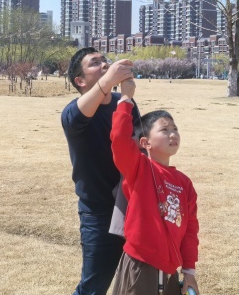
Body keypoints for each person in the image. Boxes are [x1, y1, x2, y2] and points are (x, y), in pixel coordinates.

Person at [61, 47, 140, 295]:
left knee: (140, 282)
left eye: (104, 60)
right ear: (80, 81)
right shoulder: (72, 113)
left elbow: (138, 147)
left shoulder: (122, 103)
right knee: (93, 288)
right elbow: (78, 116)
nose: (104, 64)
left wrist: (126, 97)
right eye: (94, 63)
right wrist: (111, 80)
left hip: (133, 207)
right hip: (98, 213)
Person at [110, 77, 199, 295]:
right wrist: (125, 99)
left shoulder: (184, 183)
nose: (173, 134)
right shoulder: (138, 168)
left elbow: (190, 229)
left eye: (175, 129)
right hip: (140, 265)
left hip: (170, 272)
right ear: (145, 143)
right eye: (164, 130)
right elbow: (120, 140)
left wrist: (189, 271)